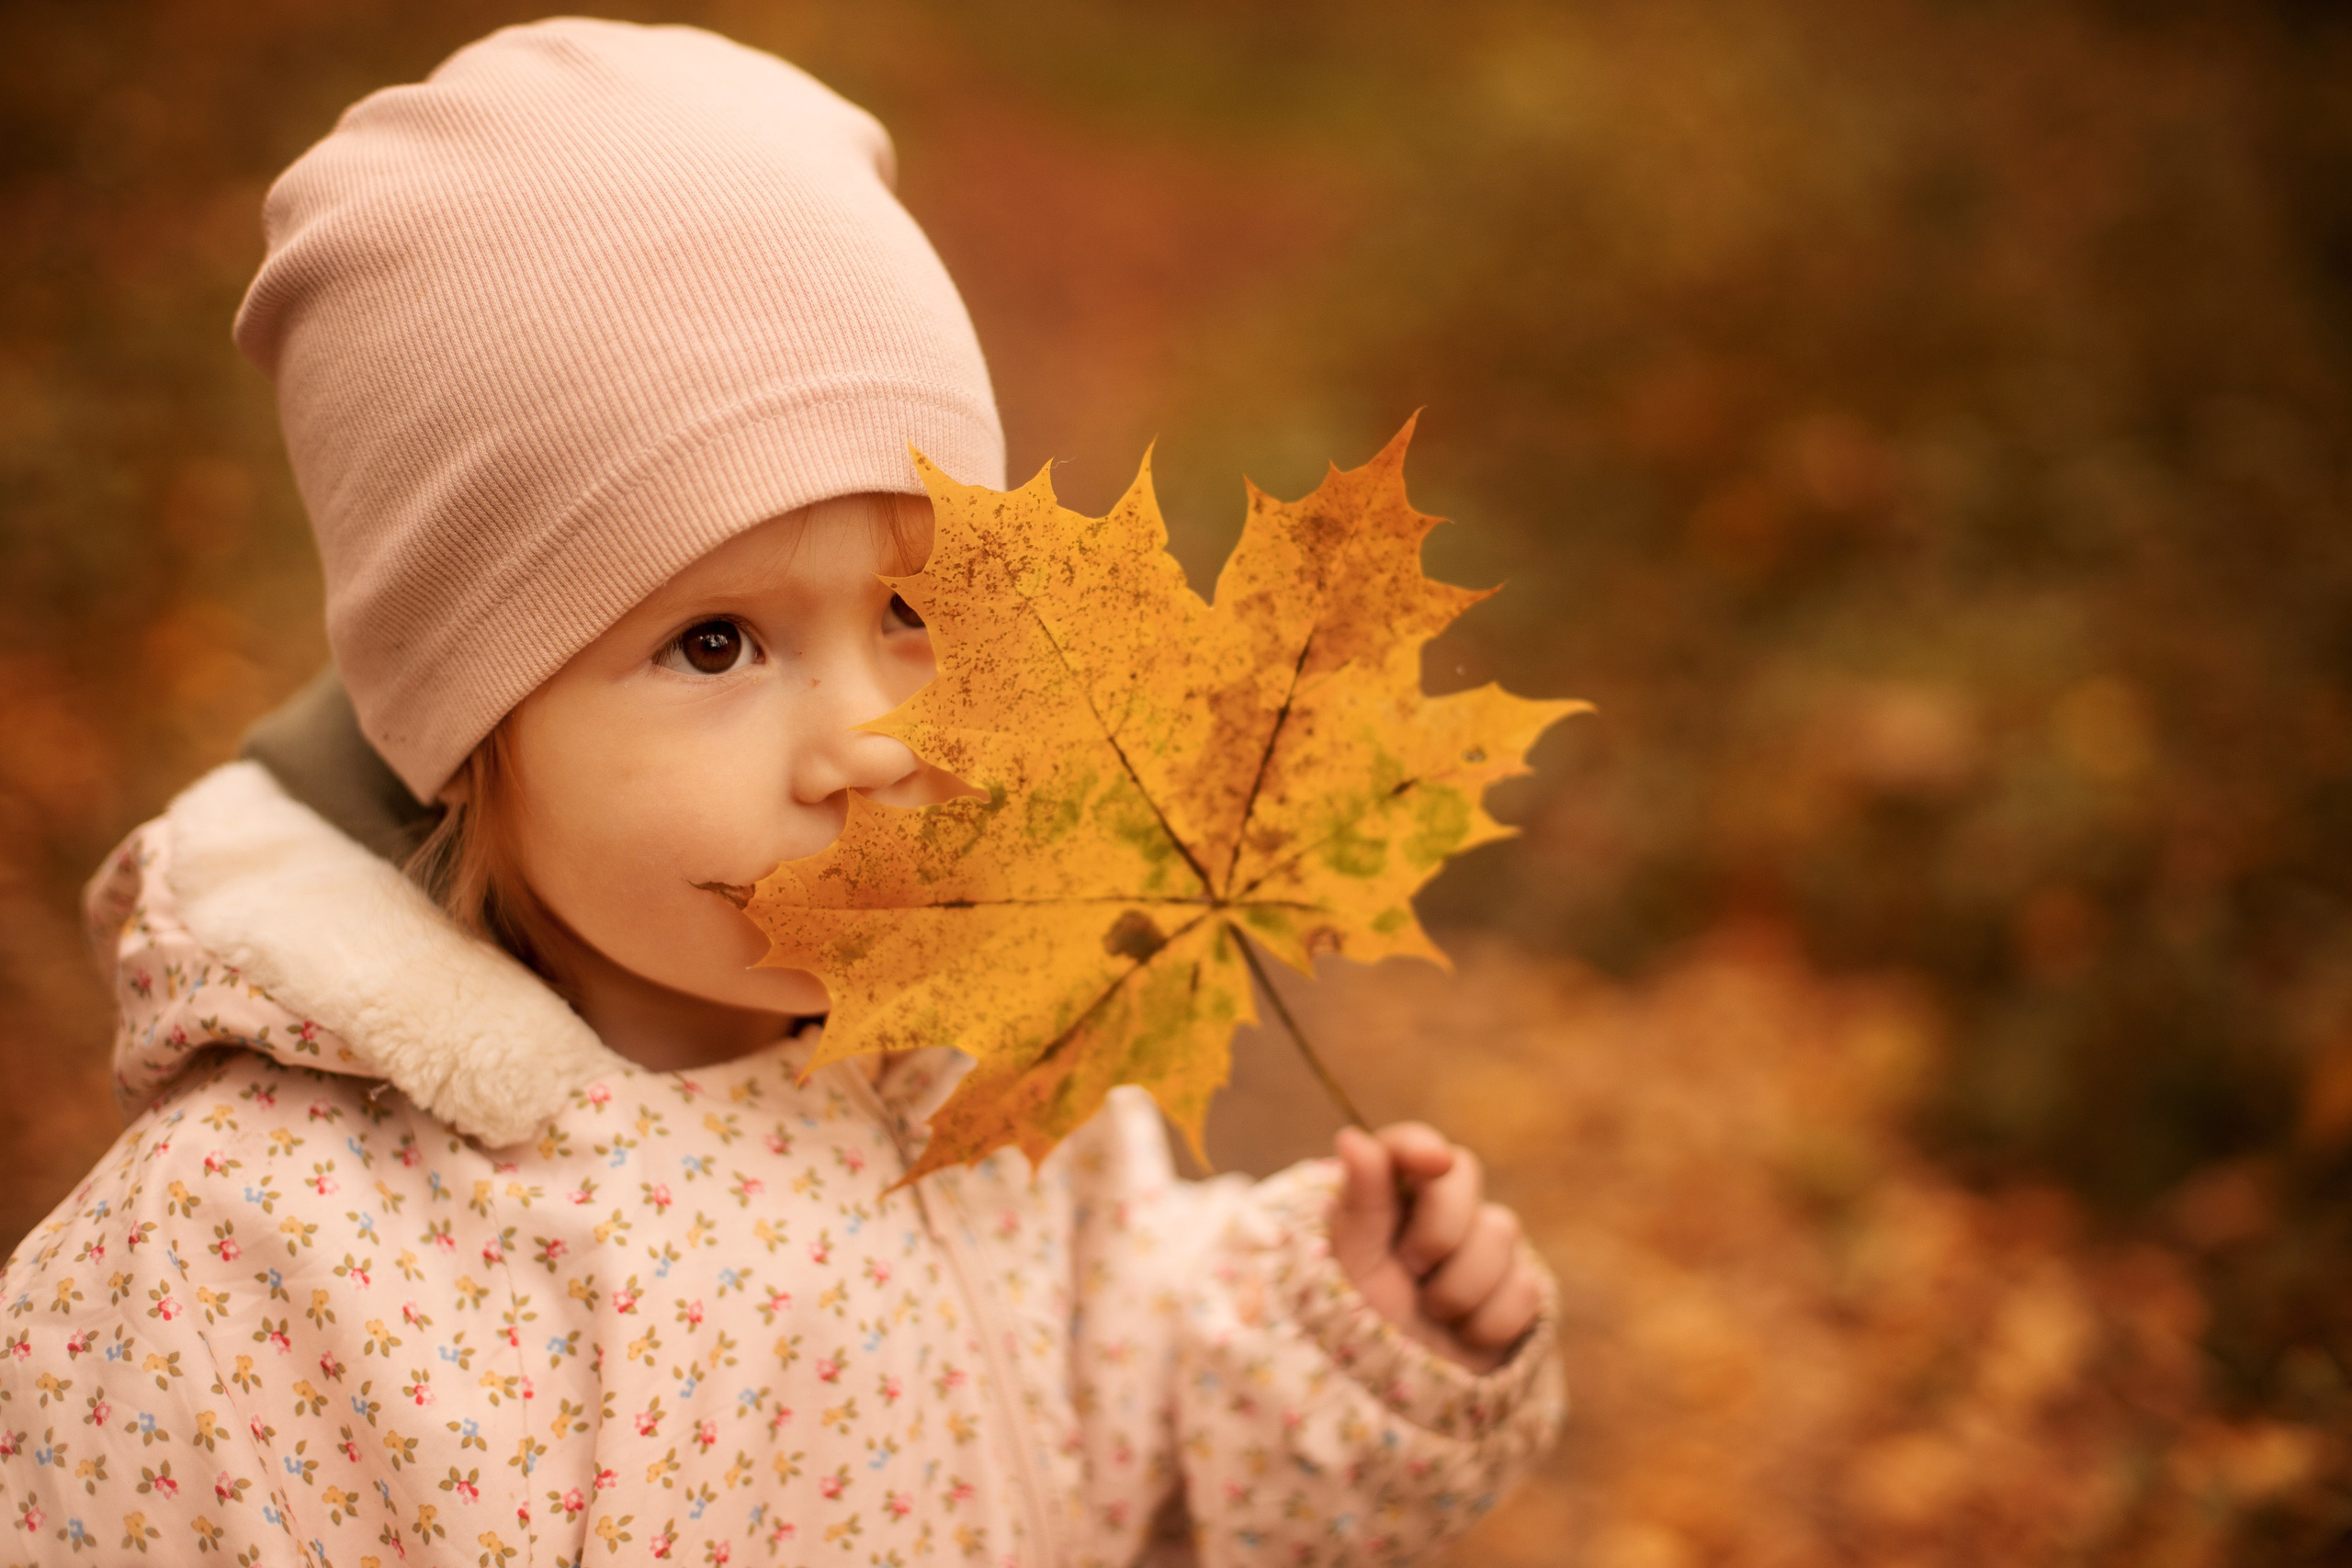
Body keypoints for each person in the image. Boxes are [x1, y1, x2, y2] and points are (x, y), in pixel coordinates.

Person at [0, 20, 1560, 1566]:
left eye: (916, 613)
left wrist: (1330, 1341)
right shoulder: (251, 1277)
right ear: (471, 736)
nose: (871, 741)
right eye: (715, 643)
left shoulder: (987, 1073)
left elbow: (1121, 1405)